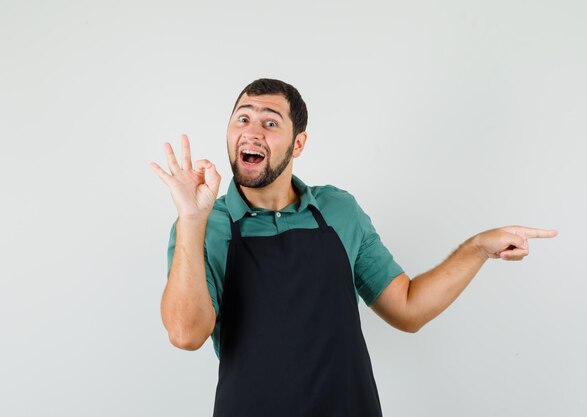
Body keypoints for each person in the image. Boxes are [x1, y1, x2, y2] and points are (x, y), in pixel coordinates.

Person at [150, 78, 558, 416]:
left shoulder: (338, 211)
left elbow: (408, 308)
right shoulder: (205, 225)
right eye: (242, 118)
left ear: (298, 144)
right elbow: (186, 334)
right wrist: (191, 218)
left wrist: (478, 248)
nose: (252, 131)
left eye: (270, 123)